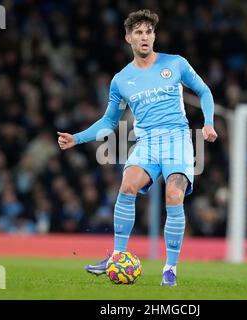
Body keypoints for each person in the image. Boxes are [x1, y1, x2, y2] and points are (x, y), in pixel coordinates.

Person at [57, 9, 217, 286]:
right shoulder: (121, 81)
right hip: (147, 143)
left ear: (154, 36)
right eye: (139, 33)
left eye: (149, 32)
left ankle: (170, 269)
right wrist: (77, 138)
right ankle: (117, 257)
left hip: (177, 140)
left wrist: (209, 123)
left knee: (173, 195)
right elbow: (109, 121)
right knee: (127, 184)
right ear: (128, 38)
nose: (145, 37)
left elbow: (204, 91)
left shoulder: (176, 64)